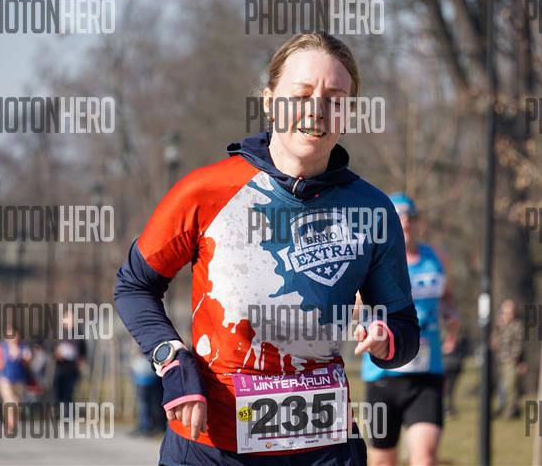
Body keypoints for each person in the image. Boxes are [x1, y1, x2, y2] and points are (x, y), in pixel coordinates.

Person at [114, 32, 420, 466]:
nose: (317, 109)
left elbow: (404, 328)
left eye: (335, 99)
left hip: (323, 447)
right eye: (302, 94)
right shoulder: (205, 192)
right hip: (213, 445)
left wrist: (386, 338)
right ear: (270, 100)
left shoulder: (372, 210)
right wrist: (171, 359)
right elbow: (134, 286)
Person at [361, 193, 451, 466]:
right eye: (398, 217)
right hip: (382, 375)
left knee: (425, 457)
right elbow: (355, 303)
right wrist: (367, 327)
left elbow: (449, 297)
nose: (406, 223)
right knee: (382, 461)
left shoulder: (436, 257)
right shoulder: (373, 259)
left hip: (426, 373)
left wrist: (452, 318)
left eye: (411, 216)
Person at [0, 327, 33, 434]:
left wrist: (26, 360)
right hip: (5, 378)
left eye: (14, 334)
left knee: (16, 402)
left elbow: (29, 362)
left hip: (20, 379)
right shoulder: (0, 347)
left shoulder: (23, 347)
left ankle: (12, 423)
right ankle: (8, 424)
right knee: (9, 400)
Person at [491, 299, 524, 419]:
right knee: (501, 386)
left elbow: (519, 344)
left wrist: (514, 358)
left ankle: (511, 410)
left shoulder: (517, 326)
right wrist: (498, 328)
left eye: (509, 313)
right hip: (499, 359)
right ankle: (502, 407)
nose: (506, 315)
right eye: (504, 312)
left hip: (511, 360)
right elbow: (494, 341)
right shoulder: (500, 326)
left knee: (511, 386)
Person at [52, 311, 87, 404]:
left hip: (72, 367)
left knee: (69, 393)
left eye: (73, 319)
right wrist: (56, 353)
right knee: (58, 392)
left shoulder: (78, 333)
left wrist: (81, 360)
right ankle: (58, 410)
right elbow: (50, 347)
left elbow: (83, 350)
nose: (72, 321)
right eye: (69, 319)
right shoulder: (58, 333)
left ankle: (67, 411)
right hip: (60, 366)